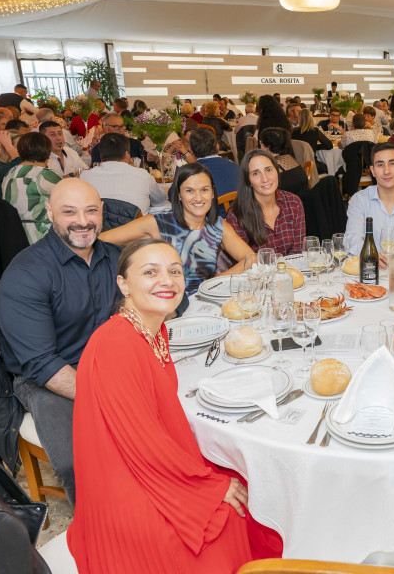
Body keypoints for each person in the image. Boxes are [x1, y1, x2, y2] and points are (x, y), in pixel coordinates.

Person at [68, 238, 282, 572]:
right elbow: (141, 444)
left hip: (146, 461)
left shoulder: (155, 331)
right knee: (230, 516)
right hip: (124, 487)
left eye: (174, 271)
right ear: (123, 284)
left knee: (250, 481)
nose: (166, 280)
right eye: (150, 272)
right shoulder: (115, 343)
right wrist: (208, 487)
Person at [0, 178, 123, 505]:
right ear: (50, 213)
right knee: (83, 459)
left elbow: (157, 306)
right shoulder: (27, 272)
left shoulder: (116, 258)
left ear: (101, 212)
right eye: (69, 212)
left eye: (90, 210)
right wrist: (106, 397)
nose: (82, 221)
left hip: (104, 360)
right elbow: (42, 363)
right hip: (45, 377)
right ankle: (104, 526)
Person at [99, 163, 254, 293]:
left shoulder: (217, 225)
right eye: (189, 191)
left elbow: (251, 259)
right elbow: (100, 241)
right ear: (179, 195)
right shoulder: (158, 223)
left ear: (213, 193)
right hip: (167, 309)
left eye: (204, 190)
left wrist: (213, 282)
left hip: (204, 305)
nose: (198, 198)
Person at [223, 149, 305, 261]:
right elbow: (246, 263)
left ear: (277, 171)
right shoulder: (237, 215)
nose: (265, 178)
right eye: (255, 173)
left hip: (291, 273)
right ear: (248, 181)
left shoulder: (293, 203)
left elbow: (297, 252)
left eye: (268, 170)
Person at [81, 133, 168, 215]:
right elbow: (160, 201)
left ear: (100, 154)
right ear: (127, 155)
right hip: (137, 229)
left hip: (101, 230)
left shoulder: (85, 177)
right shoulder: (142, 175)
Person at [1, 132, 63, 243]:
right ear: (48, 153)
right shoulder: (44, 175)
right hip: (40, 236)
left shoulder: (9, 173)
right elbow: (71, 197)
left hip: (13, 236)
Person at [188, 128, 240, 200]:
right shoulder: (236, 167)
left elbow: (172, 195)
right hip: (237, 210)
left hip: (207, 211)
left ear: (191, 151)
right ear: (217, 147)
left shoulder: (188, 173)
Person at [90, 112, 157, 167]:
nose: (121, 129)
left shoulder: (134, 144)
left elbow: (149, 163)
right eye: (116, 127)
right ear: (105, 127)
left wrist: (152, 158)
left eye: (122, 126)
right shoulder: (98, 149)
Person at [258, 127, 309, 196]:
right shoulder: (290, 158)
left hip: (289, 204)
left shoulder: (271, 167)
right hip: (305, 201)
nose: (259, 146)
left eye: (261, 142)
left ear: (268, 146)